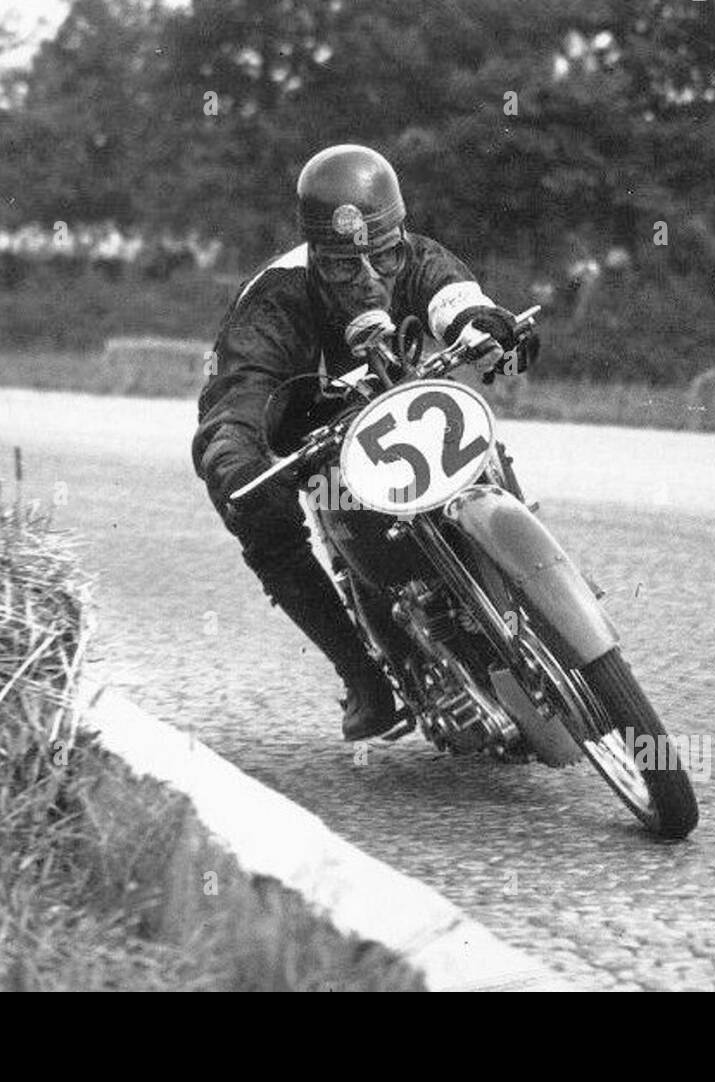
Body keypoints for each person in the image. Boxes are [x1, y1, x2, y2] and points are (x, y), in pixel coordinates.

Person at [192, 144, 534, 740]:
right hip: (315, 442)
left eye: (385, 255)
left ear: (399, 231)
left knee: (487, 451)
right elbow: (239, 391)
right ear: (317, 258)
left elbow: (455, 297)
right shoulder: (277, 298)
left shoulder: (415, 255)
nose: (373, 278)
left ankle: (534, 592)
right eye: (347, 268)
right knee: (259, 515)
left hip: (409, 416)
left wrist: (485, 324)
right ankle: (363, 678)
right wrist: (233, 450)